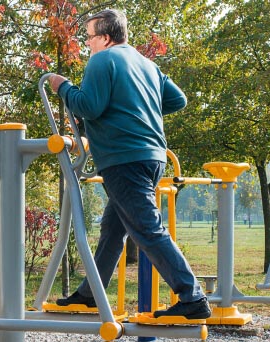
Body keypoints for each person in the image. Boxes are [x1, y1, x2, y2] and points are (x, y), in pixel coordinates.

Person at [48, 9, 211, 320]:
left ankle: (192, 297)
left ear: (106, 38)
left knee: (148, 230)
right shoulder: (146, 64)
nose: (88, 44)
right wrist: (135, 103)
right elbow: (178, 100)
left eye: (90, 37)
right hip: (152, 156)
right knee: (112, 229)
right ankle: (90, 294)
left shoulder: (102, 60)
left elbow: (89, 107)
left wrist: (63, 87)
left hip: (124, 157)